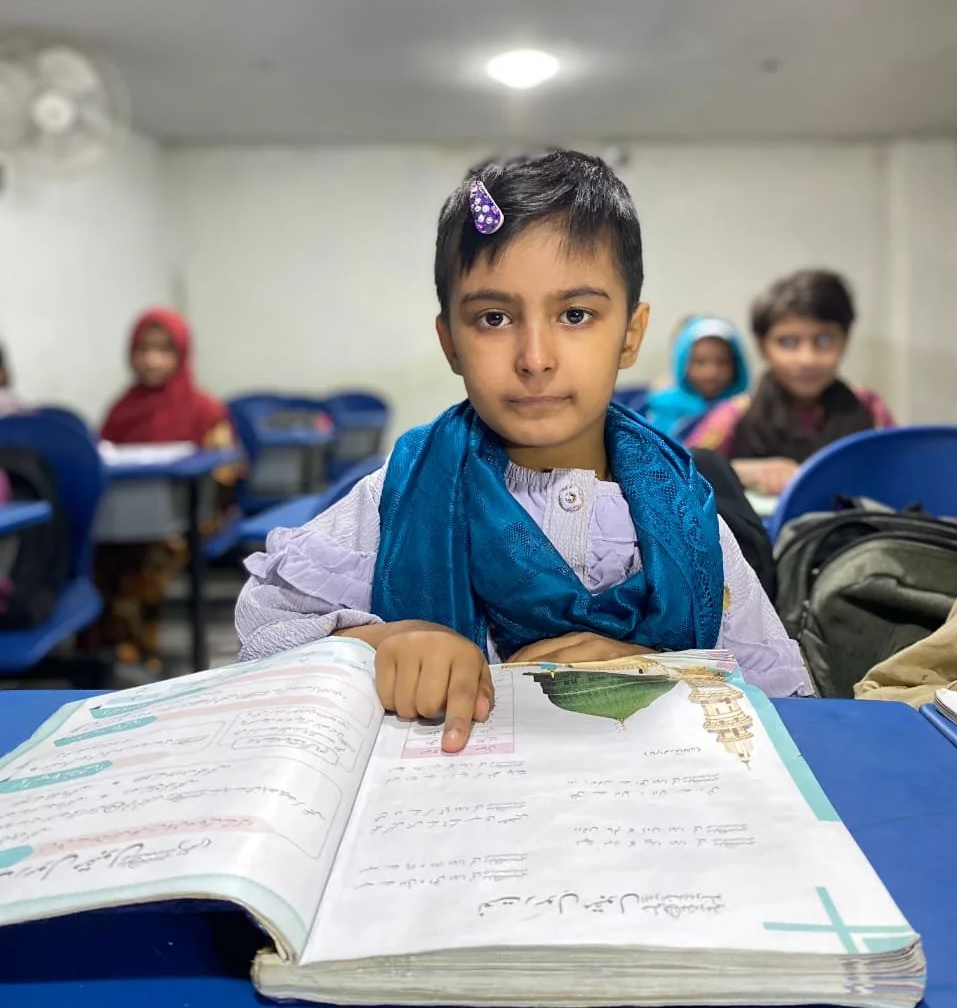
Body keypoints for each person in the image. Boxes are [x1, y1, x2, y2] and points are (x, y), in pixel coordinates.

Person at [236, 151, 811, 751]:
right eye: (492, 317)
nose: (535, 357)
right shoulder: (399, 494)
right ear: (450, 343)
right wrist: (381, 643)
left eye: (576, 314)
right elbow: (260, 637)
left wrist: (659, 674)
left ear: (631, 335)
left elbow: (786, 704)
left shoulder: (688, 517)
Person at [95, 307, 238, 673]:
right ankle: (110, 647)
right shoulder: (122, 409)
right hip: (126, 517)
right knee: (98, 554)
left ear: (181, 354)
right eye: (142, 349)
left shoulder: (204, 407)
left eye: (163, 349)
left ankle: (144, 650)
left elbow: (226, 470)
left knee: (153, 555)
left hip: (193, 515)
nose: (151, 360)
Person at [687, 270, 894, 497]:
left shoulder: (868, 407)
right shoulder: (736, 415)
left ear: (844, 341)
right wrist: (744, 471)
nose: (807, 359)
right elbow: (681, 472)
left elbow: (900, 469)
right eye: (788, 342)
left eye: (824, 340)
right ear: (762, 346)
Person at [644, 316, 749, 441]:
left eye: (722, 362)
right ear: (683, 364)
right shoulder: (662, 407)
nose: (711, 372)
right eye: (700, 362)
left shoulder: (743, 410)